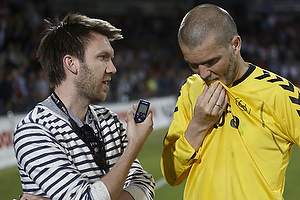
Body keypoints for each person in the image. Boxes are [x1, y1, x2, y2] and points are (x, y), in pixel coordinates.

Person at [161, 3, 300, 200]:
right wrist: (198, 125)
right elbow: (171, 175)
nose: (203, 74)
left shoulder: (277, 93)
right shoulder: (190, 89)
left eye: (211, 62)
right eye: (193, 65)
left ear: (235, 44)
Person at [13, 13, 155, 200]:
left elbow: (145, 186)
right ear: (71, 64)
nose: (112, 68)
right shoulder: (34, 130)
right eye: (103, 57)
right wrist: (133, 146)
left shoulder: (109, 120)